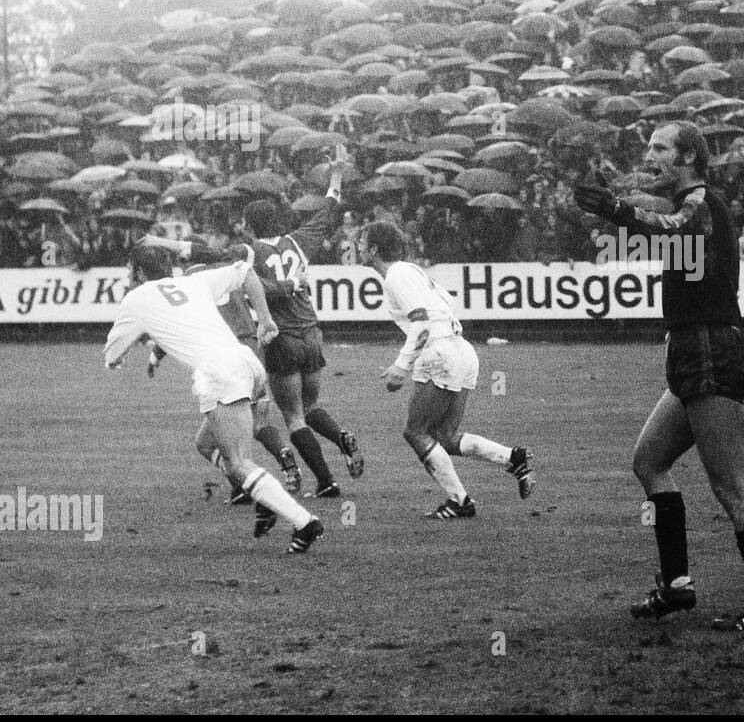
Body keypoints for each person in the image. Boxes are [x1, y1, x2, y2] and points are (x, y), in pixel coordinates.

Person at [574, 120, 744, 631]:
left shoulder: (698, 204)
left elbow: (669, 229)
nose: (650, 153)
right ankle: (676, 587)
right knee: (648, 461)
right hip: (694, 352)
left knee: (732, 487)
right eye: (648, 145)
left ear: (690, 156)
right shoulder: (688, 202)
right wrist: (620, 201)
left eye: (661, 146)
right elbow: (661, 225)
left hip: (710, 351)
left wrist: (617, 209)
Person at [157, 161, 363, 498]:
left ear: (249, 226)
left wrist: (166, 244)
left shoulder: (248, 251)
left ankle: (327, 482)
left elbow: (209, 253)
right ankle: (341, 437)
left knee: (293, 416)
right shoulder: (298, 243)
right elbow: (330, 210)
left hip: (281, 338)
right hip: (313, 333)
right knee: (311, 408)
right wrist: (336, 175)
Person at [103, 244, 323, 554]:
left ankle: (305, 523)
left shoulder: (136, 298)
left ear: (138, 272)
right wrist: (265, 319)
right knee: (205, 444)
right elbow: (246, 272)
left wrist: (115, 360)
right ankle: (265, 498)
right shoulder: (193, 281)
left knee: (239, 464)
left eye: (129, 270)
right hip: (246, 362)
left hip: (221, 374)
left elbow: (112, 352)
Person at [357, 220, 532, 517]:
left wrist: (402, 365)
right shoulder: (410, 270)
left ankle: (460, 501)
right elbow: (447, 301)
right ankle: (513, 458)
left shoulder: (396, 275)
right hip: (460, 350)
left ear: (373, 249)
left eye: (361, 242)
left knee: (415, 432)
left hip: (440, 352)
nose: (357, 247)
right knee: (445, 437)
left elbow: (422, 320)